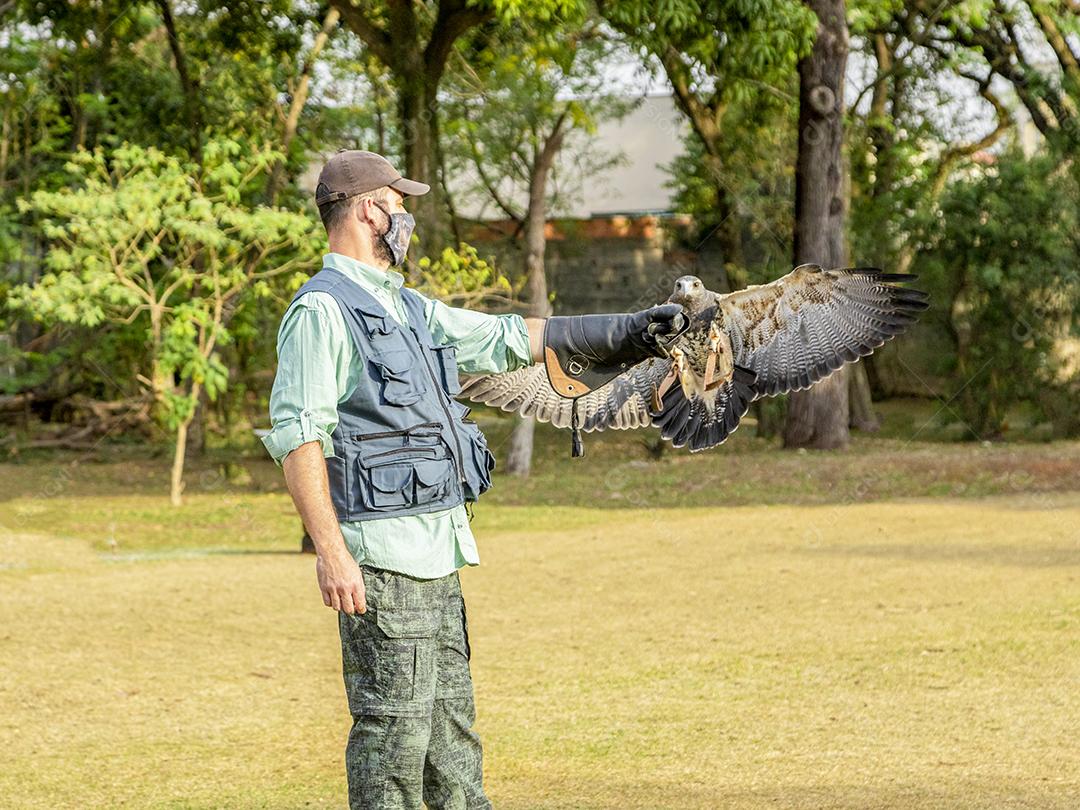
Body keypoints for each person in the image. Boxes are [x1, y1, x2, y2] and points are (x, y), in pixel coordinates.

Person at [262, 150, 683, 809]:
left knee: (453, 743)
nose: (406, 221)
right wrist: (331, 553)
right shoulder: (321, 312)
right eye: (400, 207)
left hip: (440, 553)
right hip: (382, 563)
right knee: (393, 745)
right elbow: (299, 437)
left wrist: (632, 331)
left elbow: (512, 336)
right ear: (370, 209)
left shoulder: (409, 310)